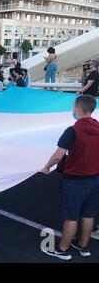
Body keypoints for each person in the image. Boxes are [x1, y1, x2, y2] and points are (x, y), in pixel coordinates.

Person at [40, 95, 99, 260]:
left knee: (71, 216)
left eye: (74, 107)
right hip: (95, 179)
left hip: (75, 181)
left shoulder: (73, 130)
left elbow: (58, 156)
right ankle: (83, 245)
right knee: (88, 214)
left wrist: (46, 167)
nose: (73, 110)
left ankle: (63, 249)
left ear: (79, 109)